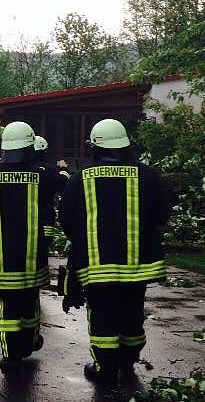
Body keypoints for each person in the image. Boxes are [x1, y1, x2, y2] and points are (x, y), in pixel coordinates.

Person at [58, 119, 171, 385]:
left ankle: (104, 367)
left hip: (98, 267)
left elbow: (67, 220)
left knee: (102, 315)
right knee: (133, 310)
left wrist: (84, 242)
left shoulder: (80, 179)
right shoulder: (148, 176)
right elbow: (162, 214)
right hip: (137, 267)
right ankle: (128, 358)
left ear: (95, 146)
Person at [0, 121, 56, 372]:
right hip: (32, 258)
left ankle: (10, 356)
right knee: (30, 302)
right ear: (30, 147)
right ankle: (30, 342)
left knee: (8, 307)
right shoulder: (41, 176)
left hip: (1, 259)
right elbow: (59, 192)